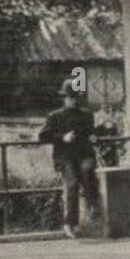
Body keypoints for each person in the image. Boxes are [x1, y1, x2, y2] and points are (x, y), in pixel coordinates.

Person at [39, 80, 101, 239]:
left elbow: (91, 133)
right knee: (72, 183)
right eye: (70, 97)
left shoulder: (86, 115)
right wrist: (62, 137)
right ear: (64, 98)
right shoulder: (55, 116)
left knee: (88, 171)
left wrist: (93, 137)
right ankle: (70, 223)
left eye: (75, 97)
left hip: (83, 154)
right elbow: (43, 136)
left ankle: (92, 208)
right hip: (65, 156)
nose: (73, 100)